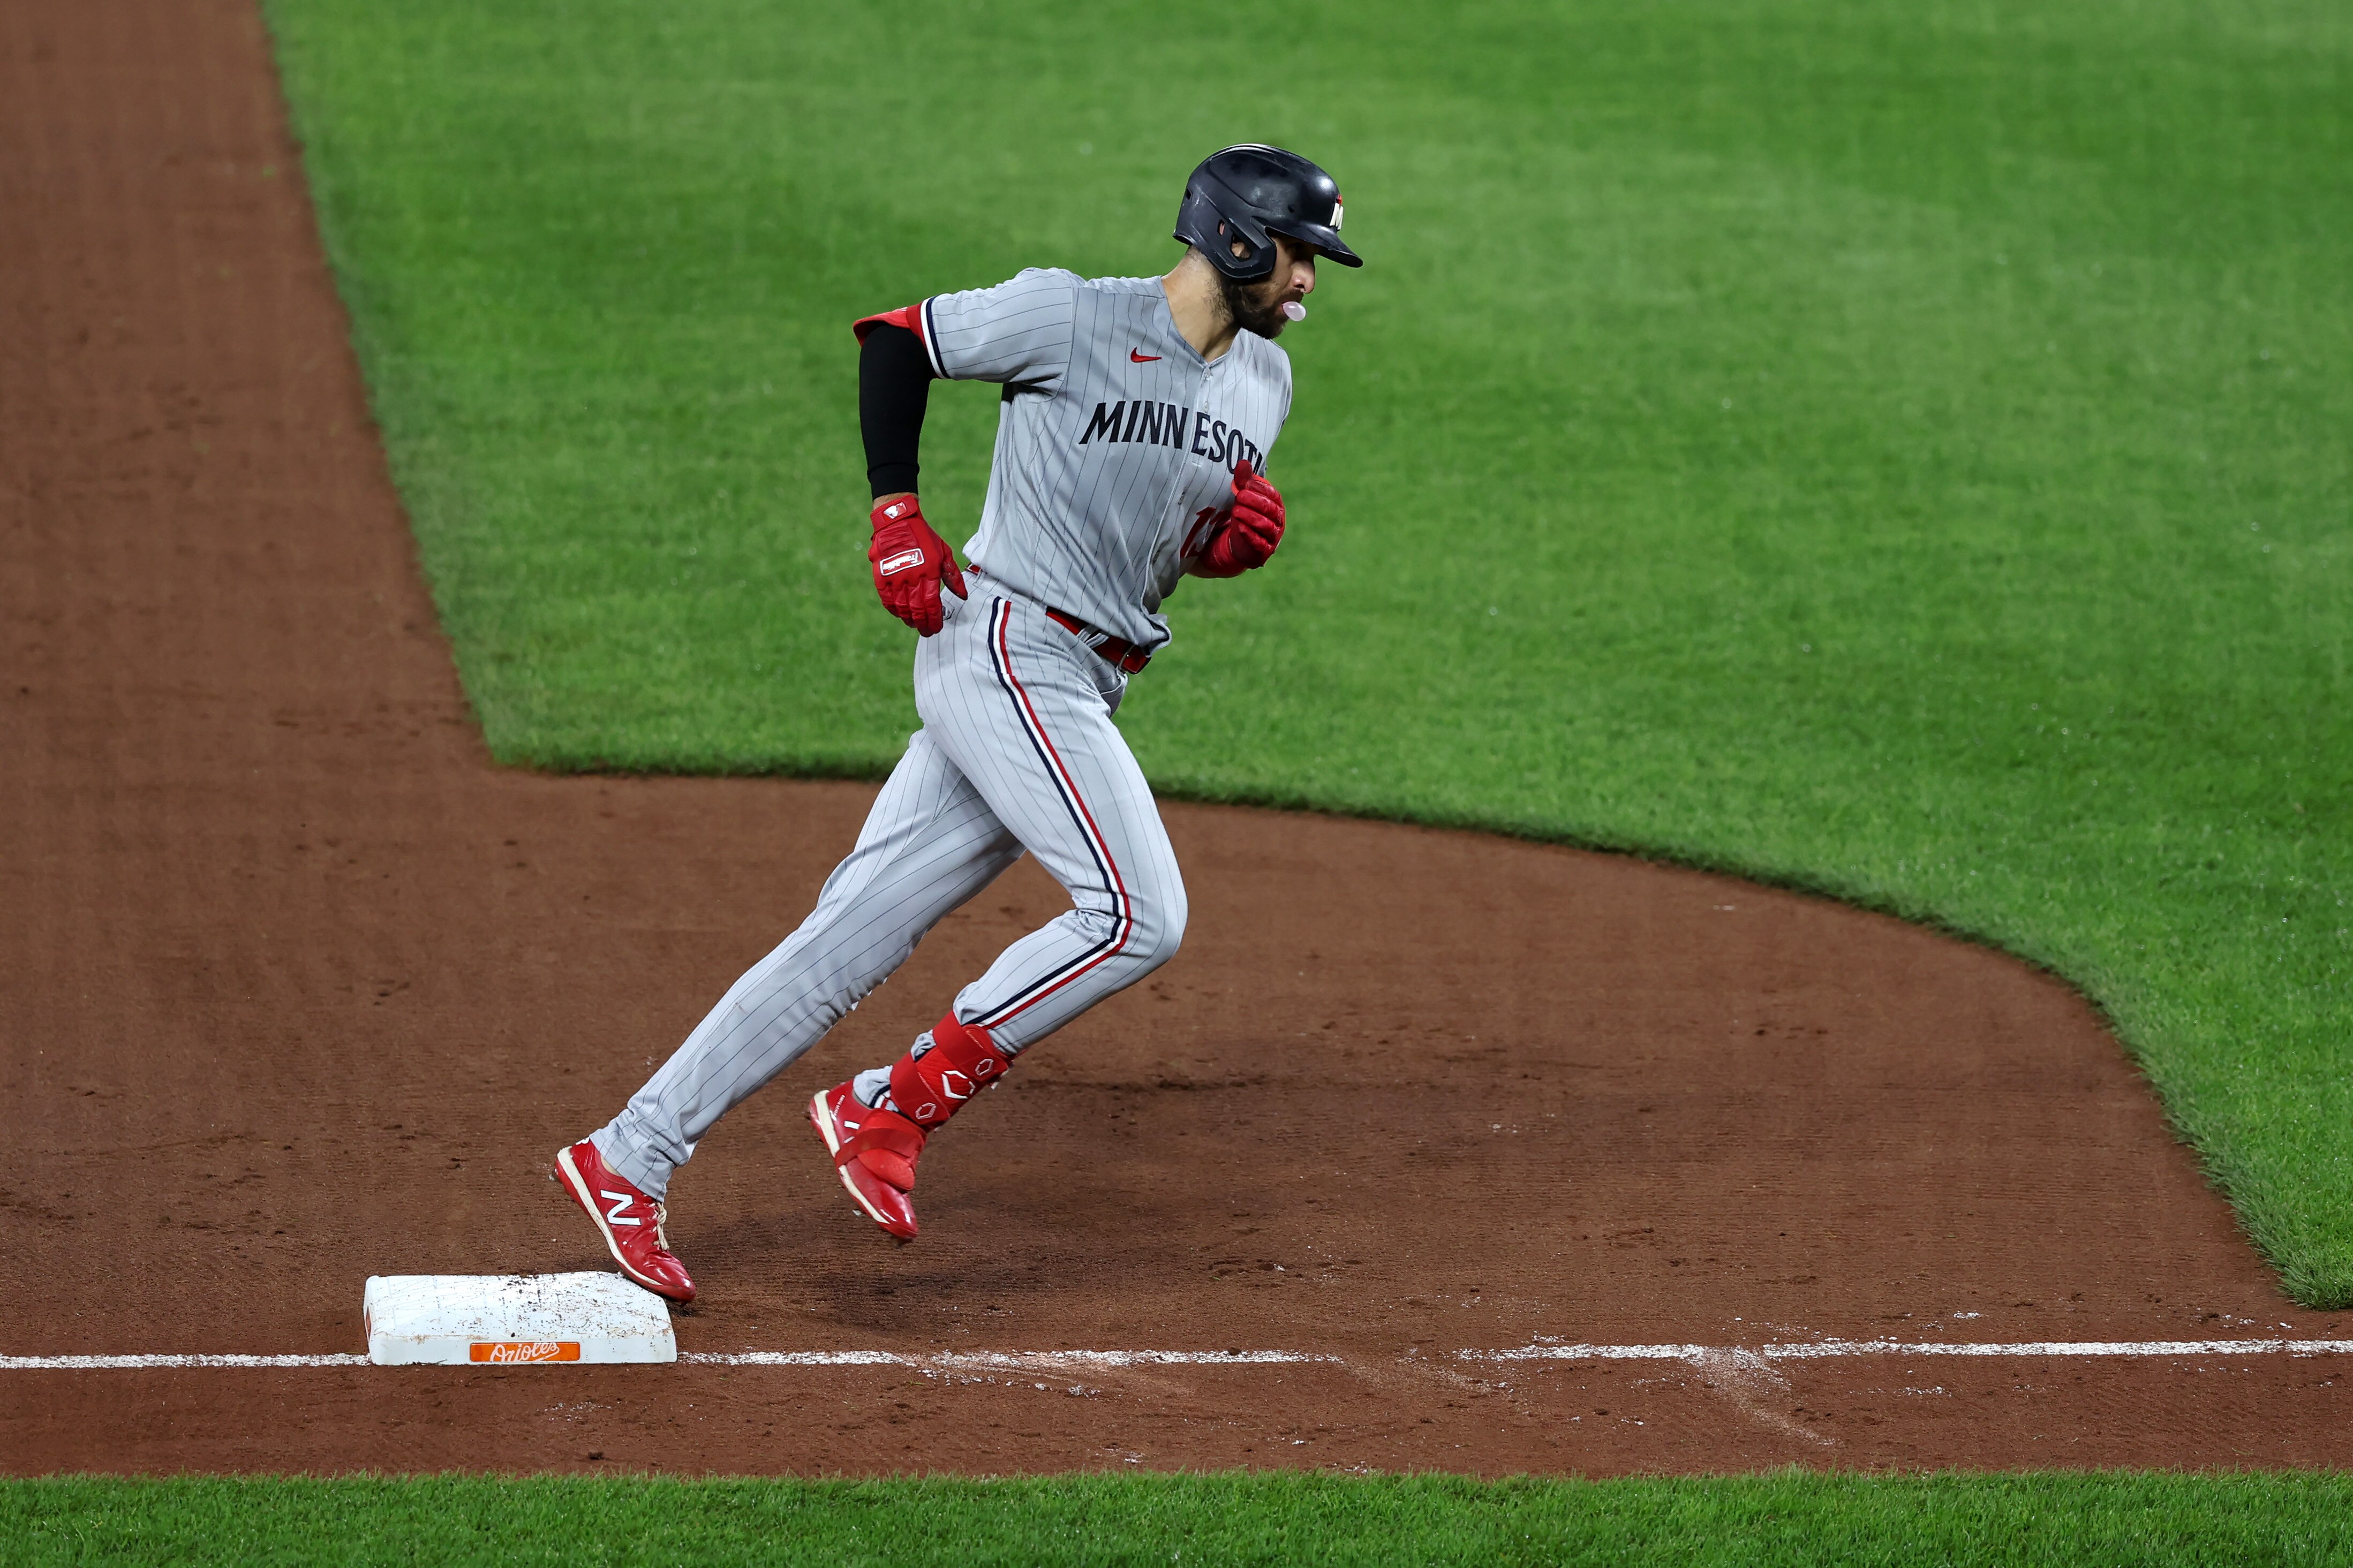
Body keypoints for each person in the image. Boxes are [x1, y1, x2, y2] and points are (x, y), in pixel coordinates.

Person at [553, 145, 1360, 1300]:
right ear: (1235, 239)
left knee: (851, 936)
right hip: (1006, 646)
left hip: (1086, 677)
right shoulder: (1070, 316)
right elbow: (897, 338)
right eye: (1297, 256)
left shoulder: (1264, 387)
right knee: (1138, 915)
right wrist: (895, 509)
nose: (1309, 281)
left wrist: (1215, 550)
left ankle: (627, 1152)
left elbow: (1156, 539)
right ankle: (893, 1104)